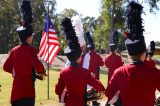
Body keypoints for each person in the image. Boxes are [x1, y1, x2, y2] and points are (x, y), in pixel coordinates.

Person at [105, 1, 160, 106]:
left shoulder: (119, 72)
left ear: (129, 54)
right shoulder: (154, 72)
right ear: (144, 53)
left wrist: (120, 103)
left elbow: (109, 94)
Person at [3, 1, 46, 106]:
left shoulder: (14, 50)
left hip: (15, 92)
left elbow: (5, 67)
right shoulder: (31, 50)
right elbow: (39, 67)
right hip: (27, 92)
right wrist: (41, 72)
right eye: (32, 35)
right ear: (29, 37)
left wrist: (14, 72)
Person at [55, 17, 105, 106]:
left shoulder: (63, 72)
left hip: (69, 102)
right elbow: (98, 86)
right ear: (78, 57)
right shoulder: (84, 72)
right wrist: (101, 87)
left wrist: (66, 90)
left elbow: (57, 90)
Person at [81, 31, 104, 106]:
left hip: (85, 75)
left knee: (86, 89)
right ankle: (94, 102)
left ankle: (87, 101)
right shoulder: (97, 56)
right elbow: (102, 64)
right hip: (95, 75)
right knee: (94, 89)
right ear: (94, 48)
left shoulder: (85, 55)